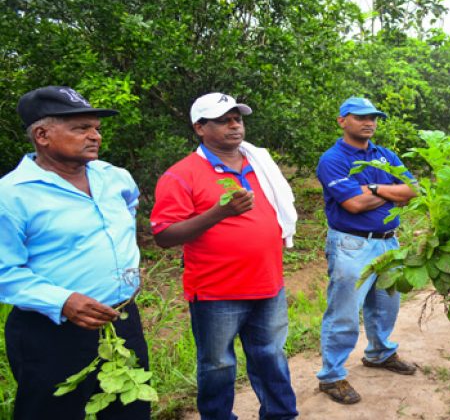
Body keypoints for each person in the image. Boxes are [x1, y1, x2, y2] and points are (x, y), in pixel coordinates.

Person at [0, 86, 149, 419]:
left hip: (122, 319)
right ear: (42, 134)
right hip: (51, 333)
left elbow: (129, 208)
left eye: (96, 128)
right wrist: (62, 301)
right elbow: (4, 270)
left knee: (131, 408)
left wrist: (127, 264)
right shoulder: (11, 195)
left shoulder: (115, 177)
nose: (95, 136)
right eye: (81, 128)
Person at [150, 93, 298, 420]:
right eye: (223, 120)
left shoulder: (259, 164)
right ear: (200, 127)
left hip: (269, 284)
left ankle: (281, 415)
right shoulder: (182, 174)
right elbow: (163, 235)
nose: (234, 125)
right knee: (218, 365)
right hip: (217, 292)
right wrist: (218, 214)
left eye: (238, 118)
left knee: (271, 356)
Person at [315, 96, 417, 405]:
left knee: (387, 303)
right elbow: (353, 205)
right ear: (342, 121)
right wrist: (391, 194)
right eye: (360, 117)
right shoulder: (332, 159)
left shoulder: (385, 154)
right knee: (345, 311)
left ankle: (379, 353)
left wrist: (371, 189)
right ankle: (331, 376)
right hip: (351, 243)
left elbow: (413, 190)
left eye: (373, 117)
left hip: (388, 240)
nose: (369, 122)